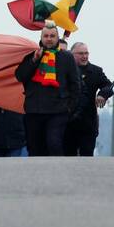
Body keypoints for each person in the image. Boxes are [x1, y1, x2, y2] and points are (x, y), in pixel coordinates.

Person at [14, 21, 81, 156]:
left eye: (52, 36)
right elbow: (20, 76)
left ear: (57, 38)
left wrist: (70, 108)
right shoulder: (32, 54)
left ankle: (57, 173)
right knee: (34, 149)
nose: (49, 39)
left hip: (58, 111)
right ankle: (37, 176)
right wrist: (34, 60)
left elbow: (75, 85)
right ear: (41, 38)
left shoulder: (66, 57)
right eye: (46, 36)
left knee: (54, 144)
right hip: (34, 110)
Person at [64, 42, 114, 157]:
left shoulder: (95, 71)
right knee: (67, 157)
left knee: (86, 156)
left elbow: (109, 86)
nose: (84, 56)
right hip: (68, 123)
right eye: (81, 53)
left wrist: (102, 95)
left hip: (88, 123)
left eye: (86, 53)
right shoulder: (65, 70)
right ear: (72, 55)